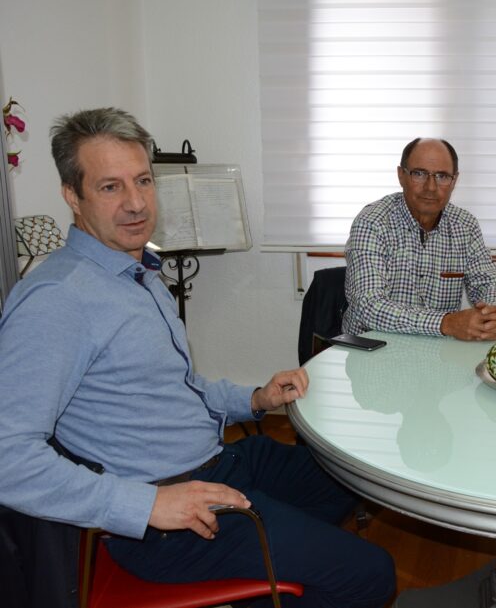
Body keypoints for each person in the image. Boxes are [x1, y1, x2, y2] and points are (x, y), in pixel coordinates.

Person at [0, 108, 395, 608]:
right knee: (371, 574)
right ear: (71, 196)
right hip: (165, 516)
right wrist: (147, 505)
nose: (136, 202)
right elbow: (7, 457)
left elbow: (177, 386)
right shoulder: (58, 298)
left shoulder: (139, 270)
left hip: (218, 460)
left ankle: (267, 572)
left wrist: (255, 397)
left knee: (349, 479)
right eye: (110, 187)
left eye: (143, 180)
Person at [343, 137, 496, 341]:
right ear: (401, 176)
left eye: (442, 176)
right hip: (373, 348)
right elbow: (369, 307)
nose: (431, 187)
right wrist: (446, 323)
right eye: (419, 174)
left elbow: (488, 283)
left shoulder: (465, 226)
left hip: (436, 350)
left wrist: (490, 313)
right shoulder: (373, 223)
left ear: (454, 181)